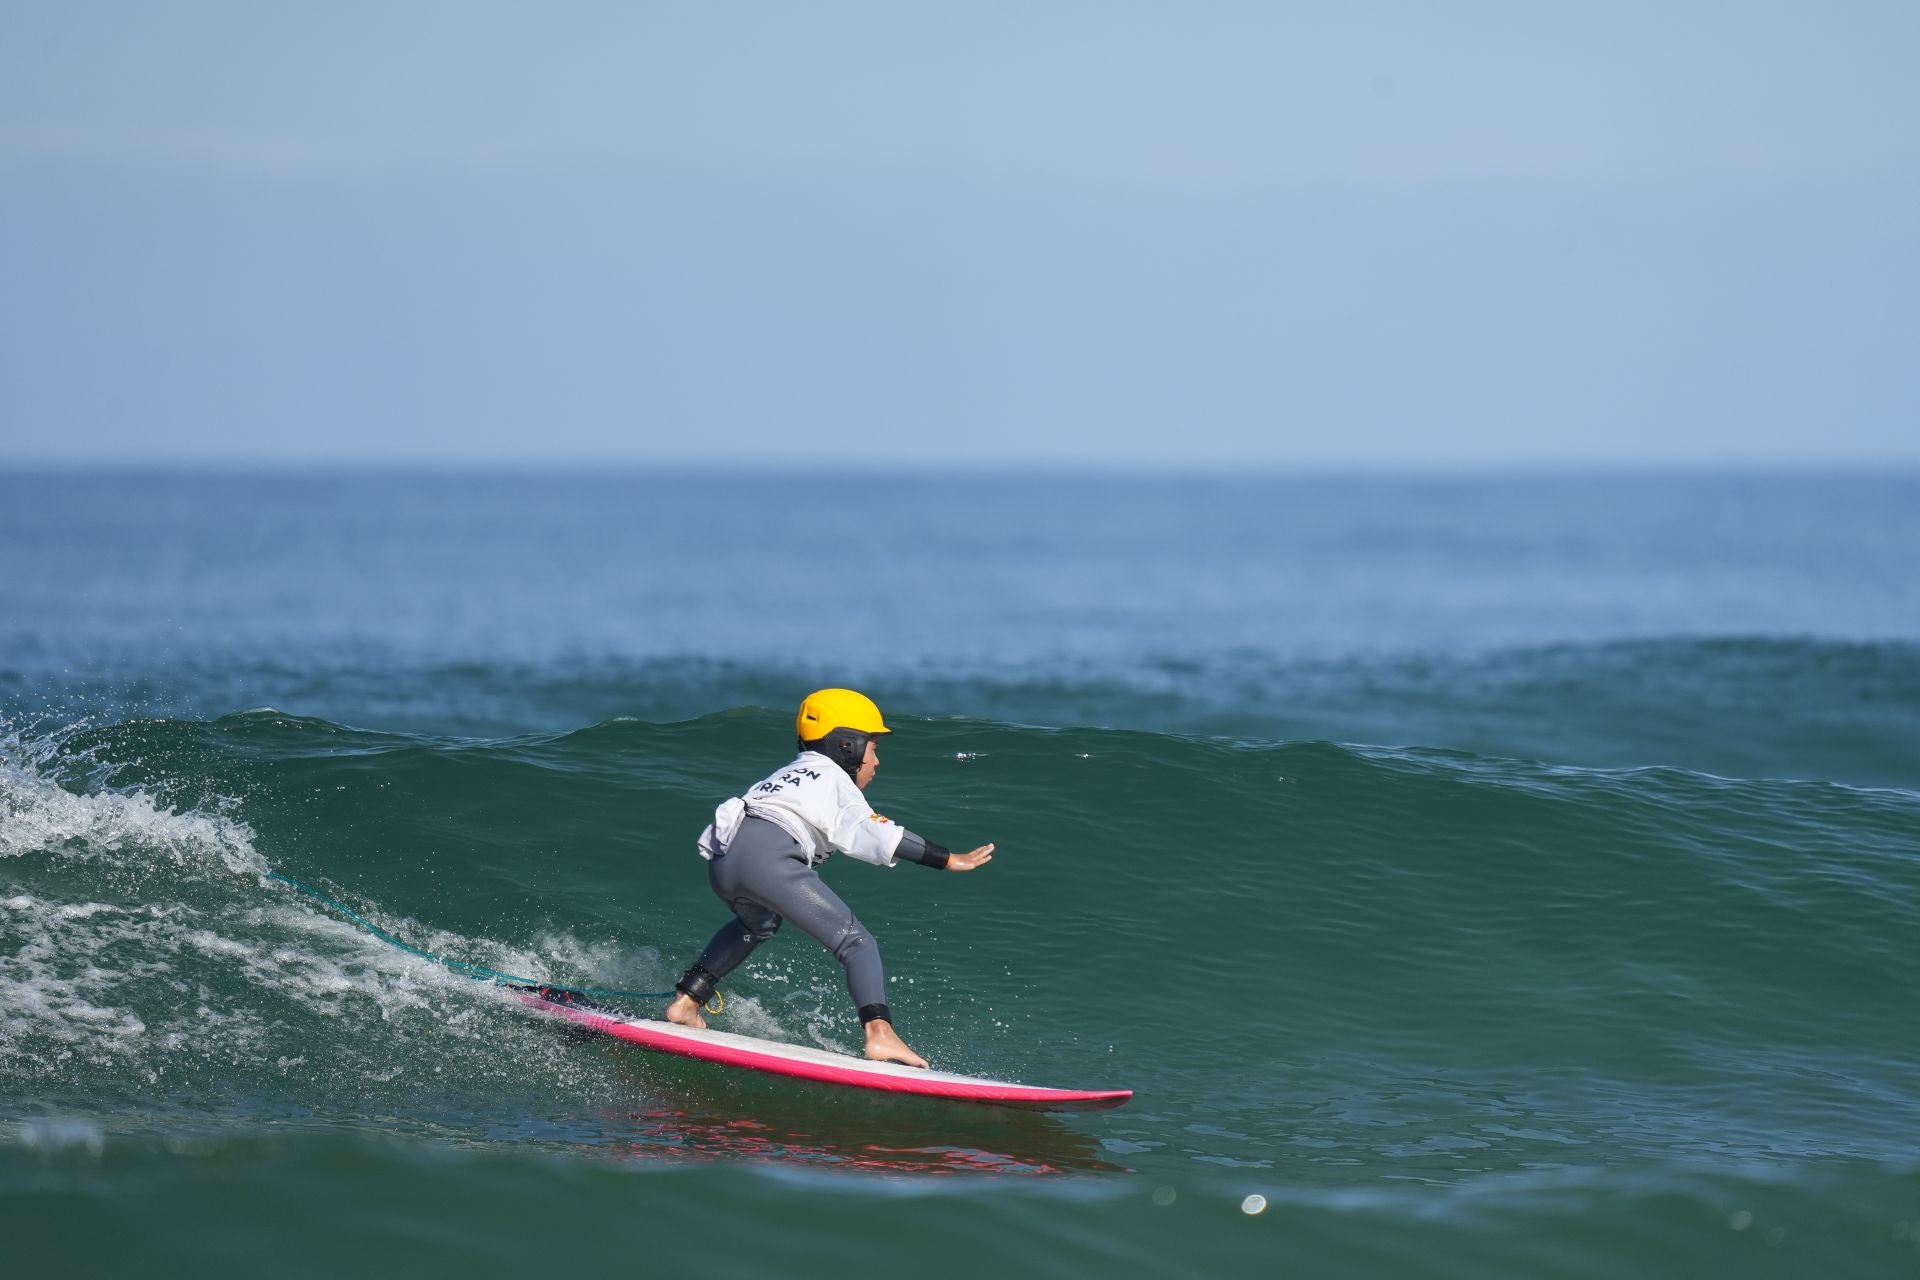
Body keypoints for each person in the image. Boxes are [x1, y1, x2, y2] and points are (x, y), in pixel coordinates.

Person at [663, 688, 994, 1068]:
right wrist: (948, 858)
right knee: (858, 943)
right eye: (873, 747)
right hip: (768, 859)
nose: (877, 760)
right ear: (848, 747)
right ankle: (880, 1035)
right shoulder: (834, 780)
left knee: (757, 924)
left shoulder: (788, 774)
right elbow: (877, 832)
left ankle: (688, 1000)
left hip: (724, 858)